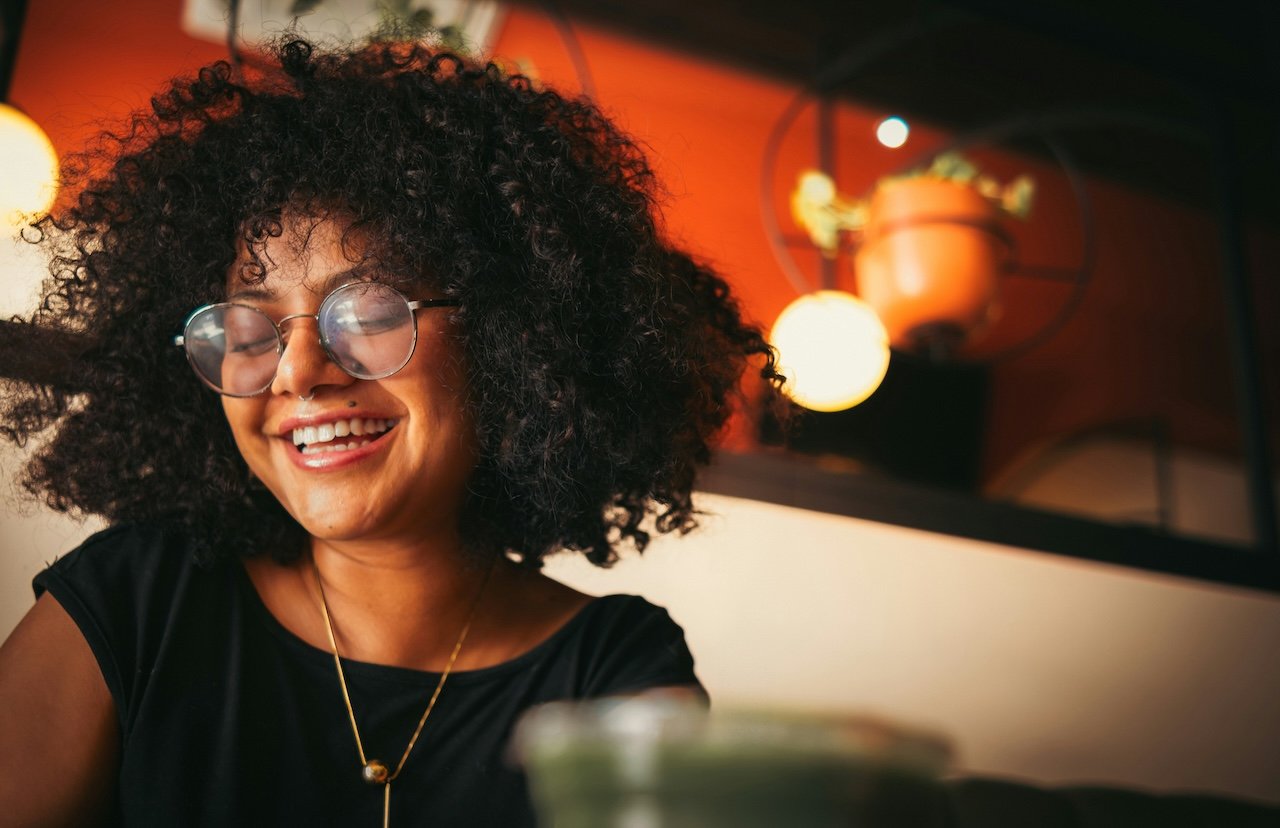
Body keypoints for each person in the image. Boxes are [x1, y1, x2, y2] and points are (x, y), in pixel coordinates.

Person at [0, 38, 780, 827]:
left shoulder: (613, 670)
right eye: (247, 328)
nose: (298, 372)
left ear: (512, 342)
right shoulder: (136, 601)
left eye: (370, 311)